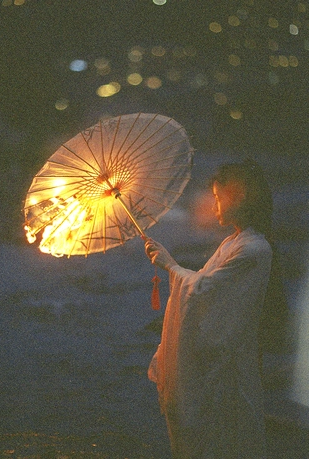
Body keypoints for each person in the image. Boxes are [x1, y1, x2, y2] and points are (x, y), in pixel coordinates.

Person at [145, 159, 280, 458]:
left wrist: (169, 264)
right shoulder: (235, 243)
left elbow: (204, 291)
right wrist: (170, 264)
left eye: (219, 198)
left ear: (240, 197)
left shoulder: (255, 249)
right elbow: (204, 287)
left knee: (227, 438)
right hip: (221, 364)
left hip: (229, 365)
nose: (215, 205)